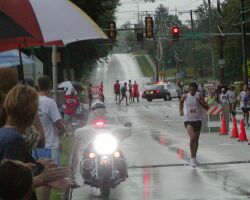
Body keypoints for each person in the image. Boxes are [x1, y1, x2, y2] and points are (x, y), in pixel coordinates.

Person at [0, 85, 70, 199]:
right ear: (33, 114)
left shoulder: (5, 133)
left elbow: (19, 173)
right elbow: (11, 189)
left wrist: (38, 167)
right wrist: (42, 179)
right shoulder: (14, 140)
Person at [33, 76, 66, 200]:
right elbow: (58, 123)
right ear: (50, 86)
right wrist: (61, 132)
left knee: (38, 177)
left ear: (37, 86)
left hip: (35, 146)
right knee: (49, 179)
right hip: (49, 145)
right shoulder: (49, 102)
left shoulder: (33, 100)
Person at [179, 82, 208, 168]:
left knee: (196, 140)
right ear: (188, 89)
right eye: (190, 89)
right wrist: (180, 110)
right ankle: (192, 158)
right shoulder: (185, 96)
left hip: (198, 120)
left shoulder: (199, 96)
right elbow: (180, 102)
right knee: (192, 137)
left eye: (193, 90)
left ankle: (194, 158)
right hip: (188, 120)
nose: (191, 91)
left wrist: (200, 102)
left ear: (196, 89)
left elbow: (207, 107)